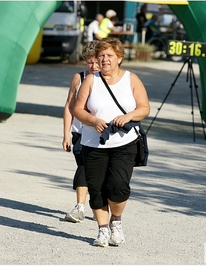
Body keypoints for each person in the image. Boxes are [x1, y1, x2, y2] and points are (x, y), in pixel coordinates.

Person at [74, 37, 150, 247]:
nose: (104, 59)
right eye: (101, 56)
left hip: (125, 142)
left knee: (118, 186)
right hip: (93, 142)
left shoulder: (131, 79)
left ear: (119, 58)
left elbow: (144, 108)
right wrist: (93, 120)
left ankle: (116, 221)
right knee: (96, 188)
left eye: (109, 55)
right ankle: (102, 230)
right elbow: (77, 109)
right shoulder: (91, 80)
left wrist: (128, 117)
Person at [62, 41, 100, 223]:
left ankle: (93, 204)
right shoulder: (79, 77)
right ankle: (82, 207)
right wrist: (66, 133)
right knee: (83, 166)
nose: (93, 66)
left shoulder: (108, 80)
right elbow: (70, 106)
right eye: (89, 62)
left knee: (95, 170)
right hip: (80, 132)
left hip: (101, 133)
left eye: (96, 62)